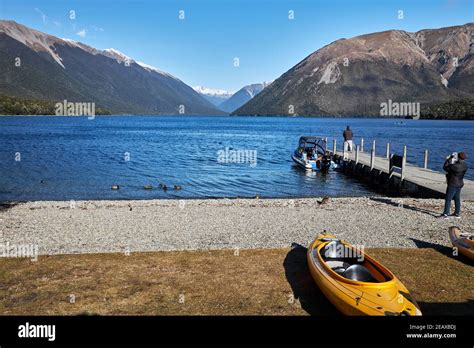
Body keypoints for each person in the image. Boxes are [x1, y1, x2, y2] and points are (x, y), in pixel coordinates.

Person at [440, 152, 468, 219]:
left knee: (448, 199)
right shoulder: (465, 165)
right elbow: (454, 167)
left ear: (458, 157)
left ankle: (445, 214)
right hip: (460, 183)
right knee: (457, 198)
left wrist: (449, 159)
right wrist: (453, 161)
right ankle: (457, 213)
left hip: (453, 184)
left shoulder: (454, 166)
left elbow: (445, 168)